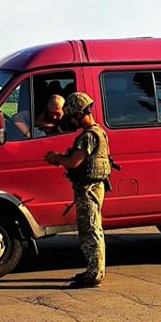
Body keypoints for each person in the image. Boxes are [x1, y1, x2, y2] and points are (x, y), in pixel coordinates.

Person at [44, 92, 111, 288]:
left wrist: (56, 158)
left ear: (80, 114)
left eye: (73, 116)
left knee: (90, 230)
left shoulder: (88, 136)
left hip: (88, 188)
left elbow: (74, 162)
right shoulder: (99, 131)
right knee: (93, 228)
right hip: (94, 186)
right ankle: (93, 269)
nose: (71, 120)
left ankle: (94, 274)